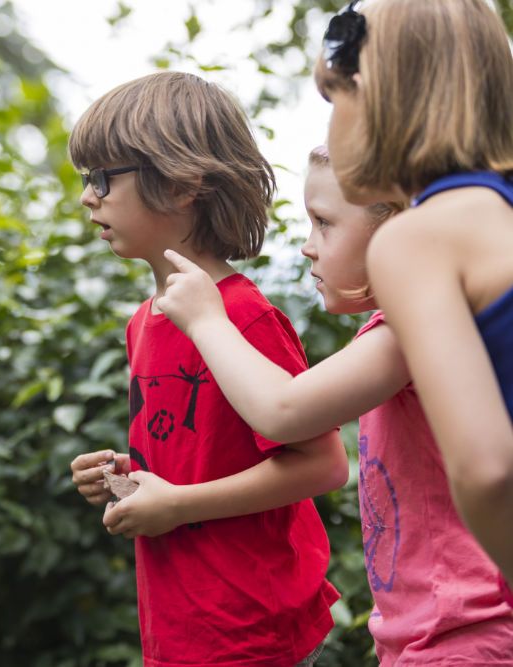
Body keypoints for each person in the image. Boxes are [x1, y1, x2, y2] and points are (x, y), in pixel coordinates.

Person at [155, 145, 513, 664]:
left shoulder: (406, 333)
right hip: (426, 634)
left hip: (466, 634)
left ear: (398, 228)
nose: (307, 247)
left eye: (324, 223)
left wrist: (209, 321)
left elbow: (282, 410)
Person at [67, 72, 345, 667]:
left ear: (181, 182)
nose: (87, 197)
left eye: (101, 178)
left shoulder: (244, 316)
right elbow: (197, 451)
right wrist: (126, 474)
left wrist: (179, 505)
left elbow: (321, 464)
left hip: (253, 630)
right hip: (179, 627)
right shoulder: (144, 321)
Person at [314, 0, 513, 605]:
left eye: (333, 101)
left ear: (375, 95)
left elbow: (487, 470)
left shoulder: (415, 241)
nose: (329, 129)